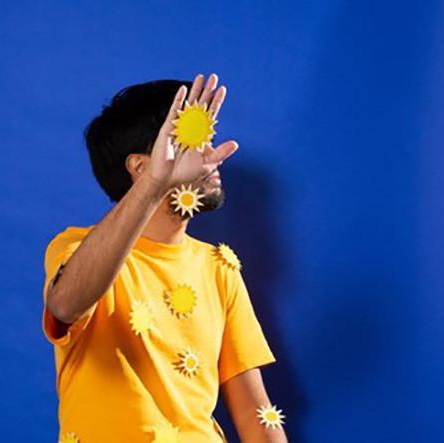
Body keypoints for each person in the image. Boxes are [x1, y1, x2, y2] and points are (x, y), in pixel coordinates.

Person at [42, 73, 288, 442]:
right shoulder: (76, 248)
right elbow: (64, 306)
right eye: (190, 142)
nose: (210, 156)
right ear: (140, 167)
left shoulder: (218, 267)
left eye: (208, 139)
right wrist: (155, 185)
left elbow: (255, 410)